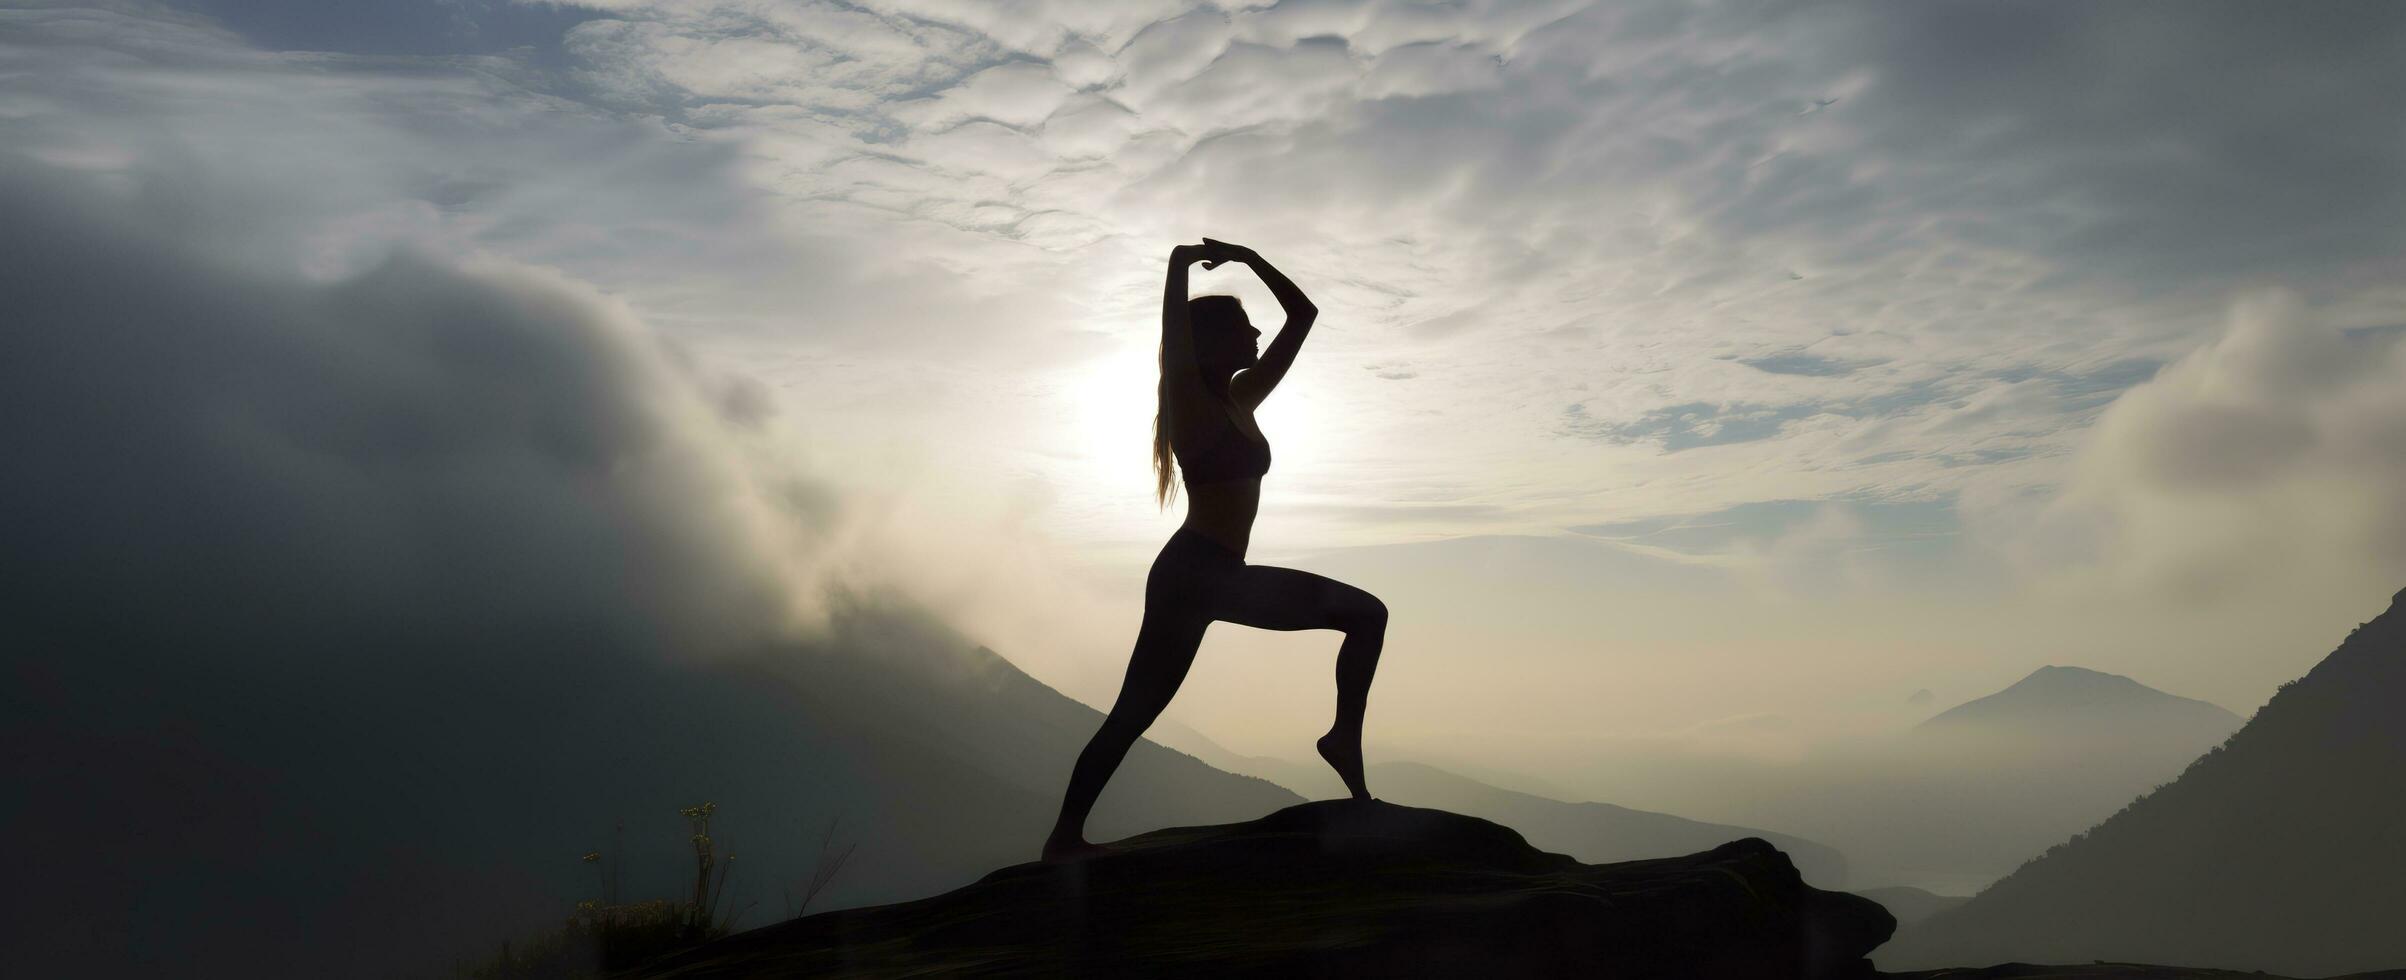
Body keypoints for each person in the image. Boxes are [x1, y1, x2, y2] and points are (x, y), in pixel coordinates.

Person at [1043, 238, 1389, 862]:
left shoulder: (1241, 399)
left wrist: (1251, 258)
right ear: (1213, 343)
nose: (1257, 333)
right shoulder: (1191, 399)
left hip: (1223, 573)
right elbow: (1175, 337)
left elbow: (1303, 316)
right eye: (1243, 327)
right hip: (1192, 574)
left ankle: (1342, 739)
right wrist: (1179, 262)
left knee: (1368, 614)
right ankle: (1064, 837)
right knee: (1133, 713)